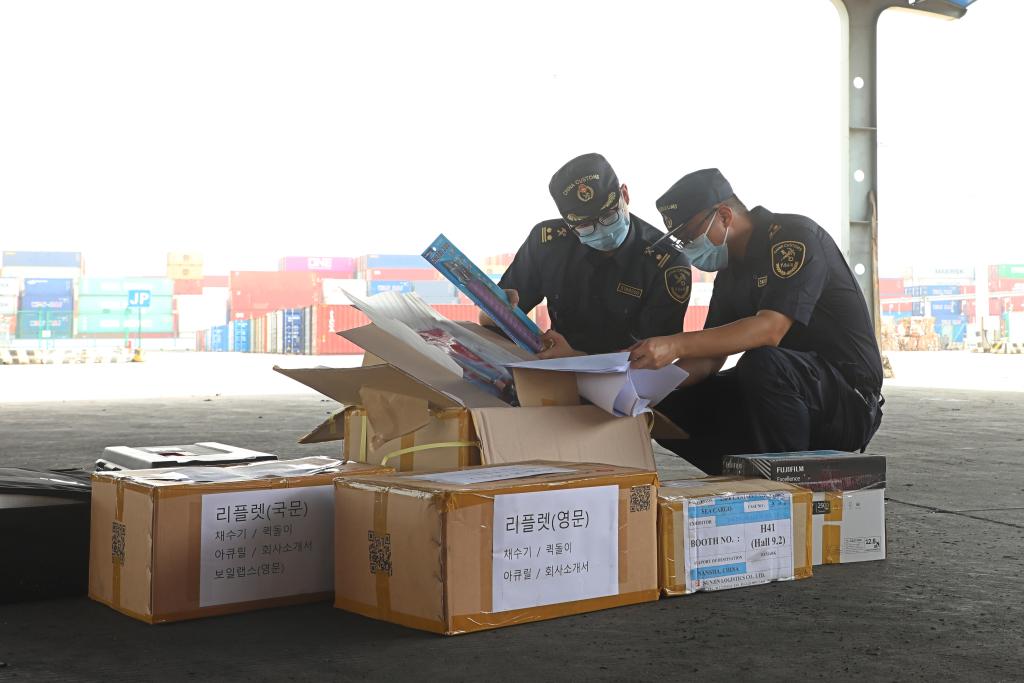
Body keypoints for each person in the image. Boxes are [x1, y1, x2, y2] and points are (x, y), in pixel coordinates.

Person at [628, 168, 884, 473]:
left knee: (763, 362)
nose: (688, 247)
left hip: (848, 399)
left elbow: (770, 329)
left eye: (689, 236)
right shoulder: (730, 273)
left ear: (724, 216)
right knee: (668, 405)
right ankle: (745, 478)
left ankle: (789, 485)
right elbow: (709, 358)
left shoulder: (793, 238)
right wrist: (645, 387)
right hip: (784, 396)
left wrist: (674, 344)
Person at [483, 152, 691, 358]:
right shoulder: (547, 244)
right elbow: (496, 319)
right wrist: (491, 309)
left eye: (608, 215)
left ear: (625, 195)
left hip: (627, 376)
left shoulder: (666, 261)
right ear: (568, 224)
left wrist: (574, 358)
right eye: (584, 225)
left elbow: (655, 360)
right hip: (554, 369)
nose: (602, 229)